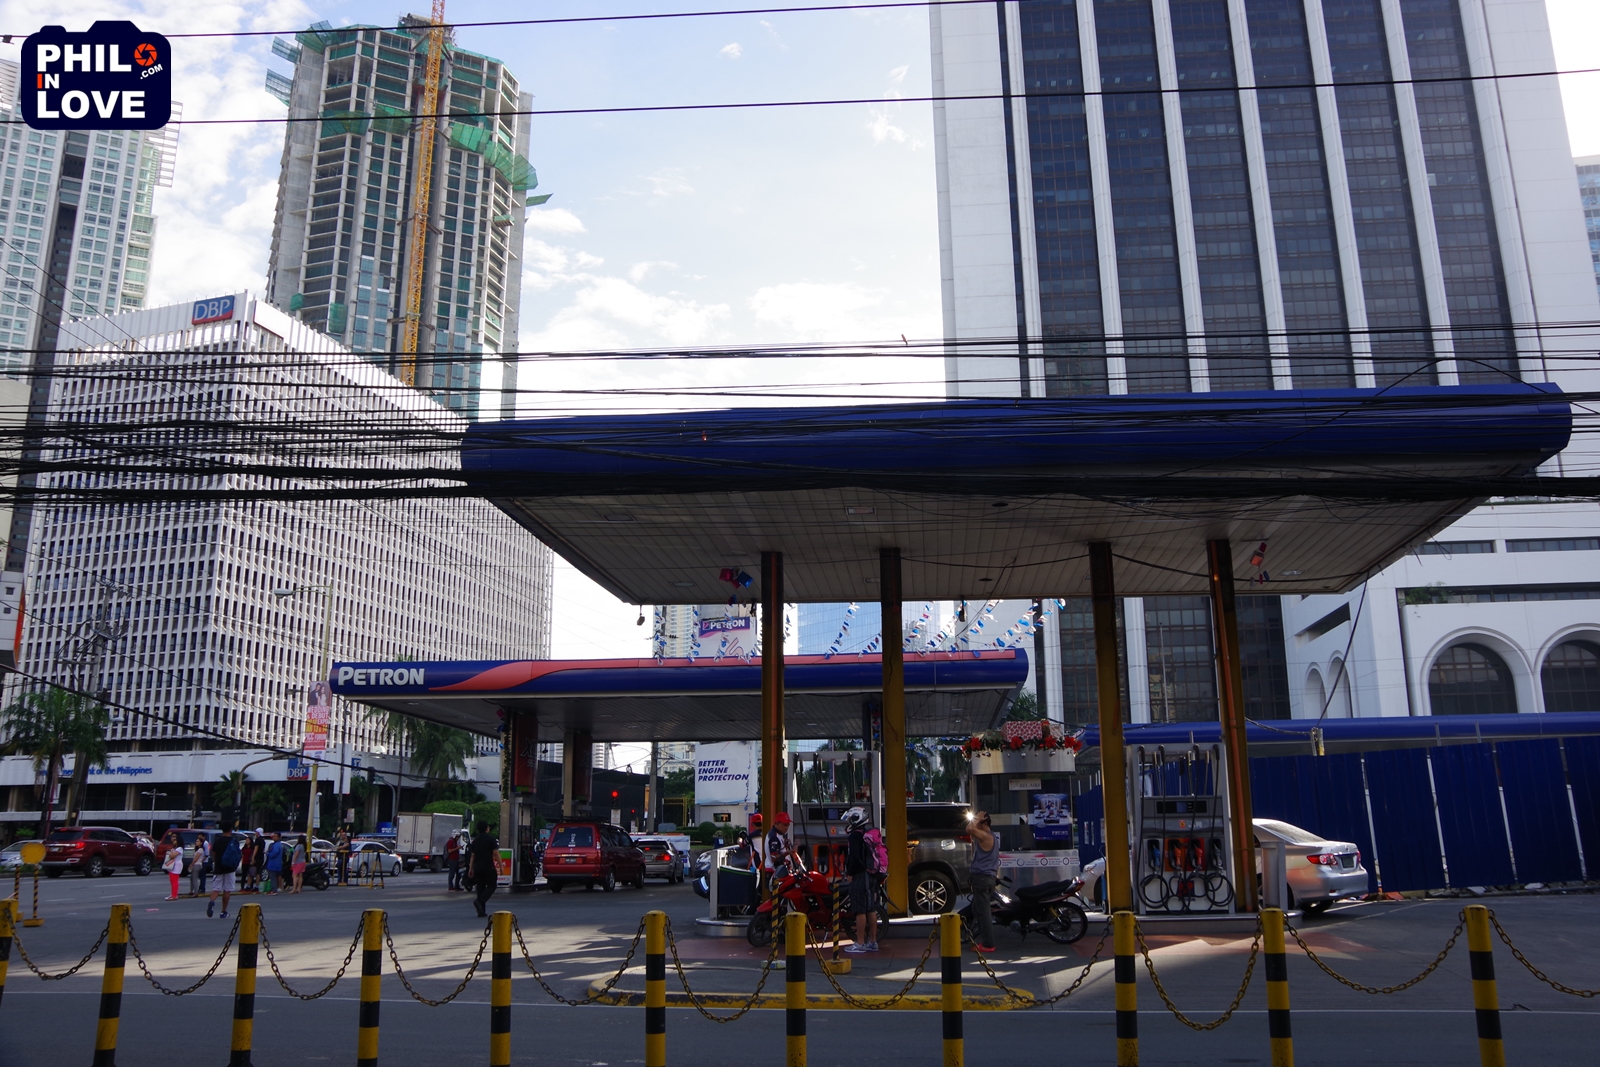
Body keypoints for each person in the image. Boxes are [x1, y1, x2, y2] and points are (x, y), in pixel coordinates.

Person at [842, 807, 878, 954]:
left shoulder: (854, 837)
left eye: (851, 819)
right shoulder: (866, 834)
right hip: (870, 874)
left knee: (859, 910)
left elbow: (855, 857)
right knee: (870, 908)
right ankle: (873, 942)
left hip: (860, 876)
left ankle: (860, 943)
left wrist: (850, 872)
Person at [967, 810, 1000, 954]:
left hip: (982, 878)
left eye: (979, 823)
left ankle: (988, 944)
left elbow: (969, 829)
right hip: (987, 878)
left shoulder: (986, 836)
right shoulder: (993, 837)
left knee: (983, 913)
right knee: (976, 909)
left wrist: (977, 817)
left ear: (984, 823)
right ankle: (982, 938)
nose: (976, 825)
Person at [467, 821, 499, 918]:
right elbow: (496, 853)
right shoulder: (491, 839)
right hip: (488, 866)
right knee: (492, 885)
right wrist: (501, 866)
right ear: (486, 829)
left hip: (477, 867)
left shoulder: (475, 841)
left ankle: (481, 911)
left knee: (480, 887)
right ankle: (480, 901)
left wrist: (471, 868)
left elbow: (472, 856)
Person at [207, 825, 241, 919]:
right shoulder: (233, 841)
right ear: (230, 830)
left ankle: (212, 902)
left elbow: (214, 854)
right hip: (230, 868)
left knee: (216, 889)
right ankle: (223, 911)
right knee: (227, 889)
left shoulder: (217, 841)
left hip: (218, 868)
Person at [765, 812, 799, 879]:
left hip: (780, 871)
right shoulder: (774, 837)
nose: (786, 828)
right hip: (775, 873)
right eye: (784, 825)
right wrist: (787, 852)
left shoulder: (779, 834)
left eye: (788, 825)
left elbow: (779, 849)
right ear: (777, 823)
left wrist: (784, 844)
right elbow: (774, 858)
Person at [162, 834, 183, 900]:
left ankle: (174, 895)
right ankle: (173, 894)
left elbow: (172, 856)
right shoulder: (175, 848)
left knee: (174, 880)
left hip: (177, 864)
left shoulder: (179, 848)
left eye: (175, 840)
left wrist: (171, 853)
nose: (173, 841)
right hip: (172, 864)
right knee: (172, 880)